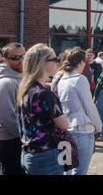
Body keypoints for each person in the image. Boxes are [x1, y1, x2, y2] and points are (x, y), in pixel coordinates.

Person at [17, 43, 69, 175]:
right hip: (46, 155)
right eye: (55, 59)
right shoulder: (44, 94)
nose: (58, 62)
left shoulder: (26, 89)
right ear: (44, 64)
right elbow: (64, 125)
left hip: (30, 153)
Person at [57, 48, 102, 175]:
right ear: (82, 62)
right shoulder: (80, 79)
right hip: (82, 130)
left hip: (66, 130)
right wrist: (99, 126)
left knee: (68, 171)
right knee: (80, 171)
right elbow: (89, 106)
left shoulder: (62, 80)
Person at [0, 42, 26, 175]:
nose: (21, 60)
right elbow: (5, 118)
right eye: (15, 58)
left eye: (23, 56)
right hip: (9, 141)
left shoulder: (18, 78)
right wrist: (27, 136)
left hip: (18, 138)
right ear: (5, 60)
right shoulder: (5, 83)